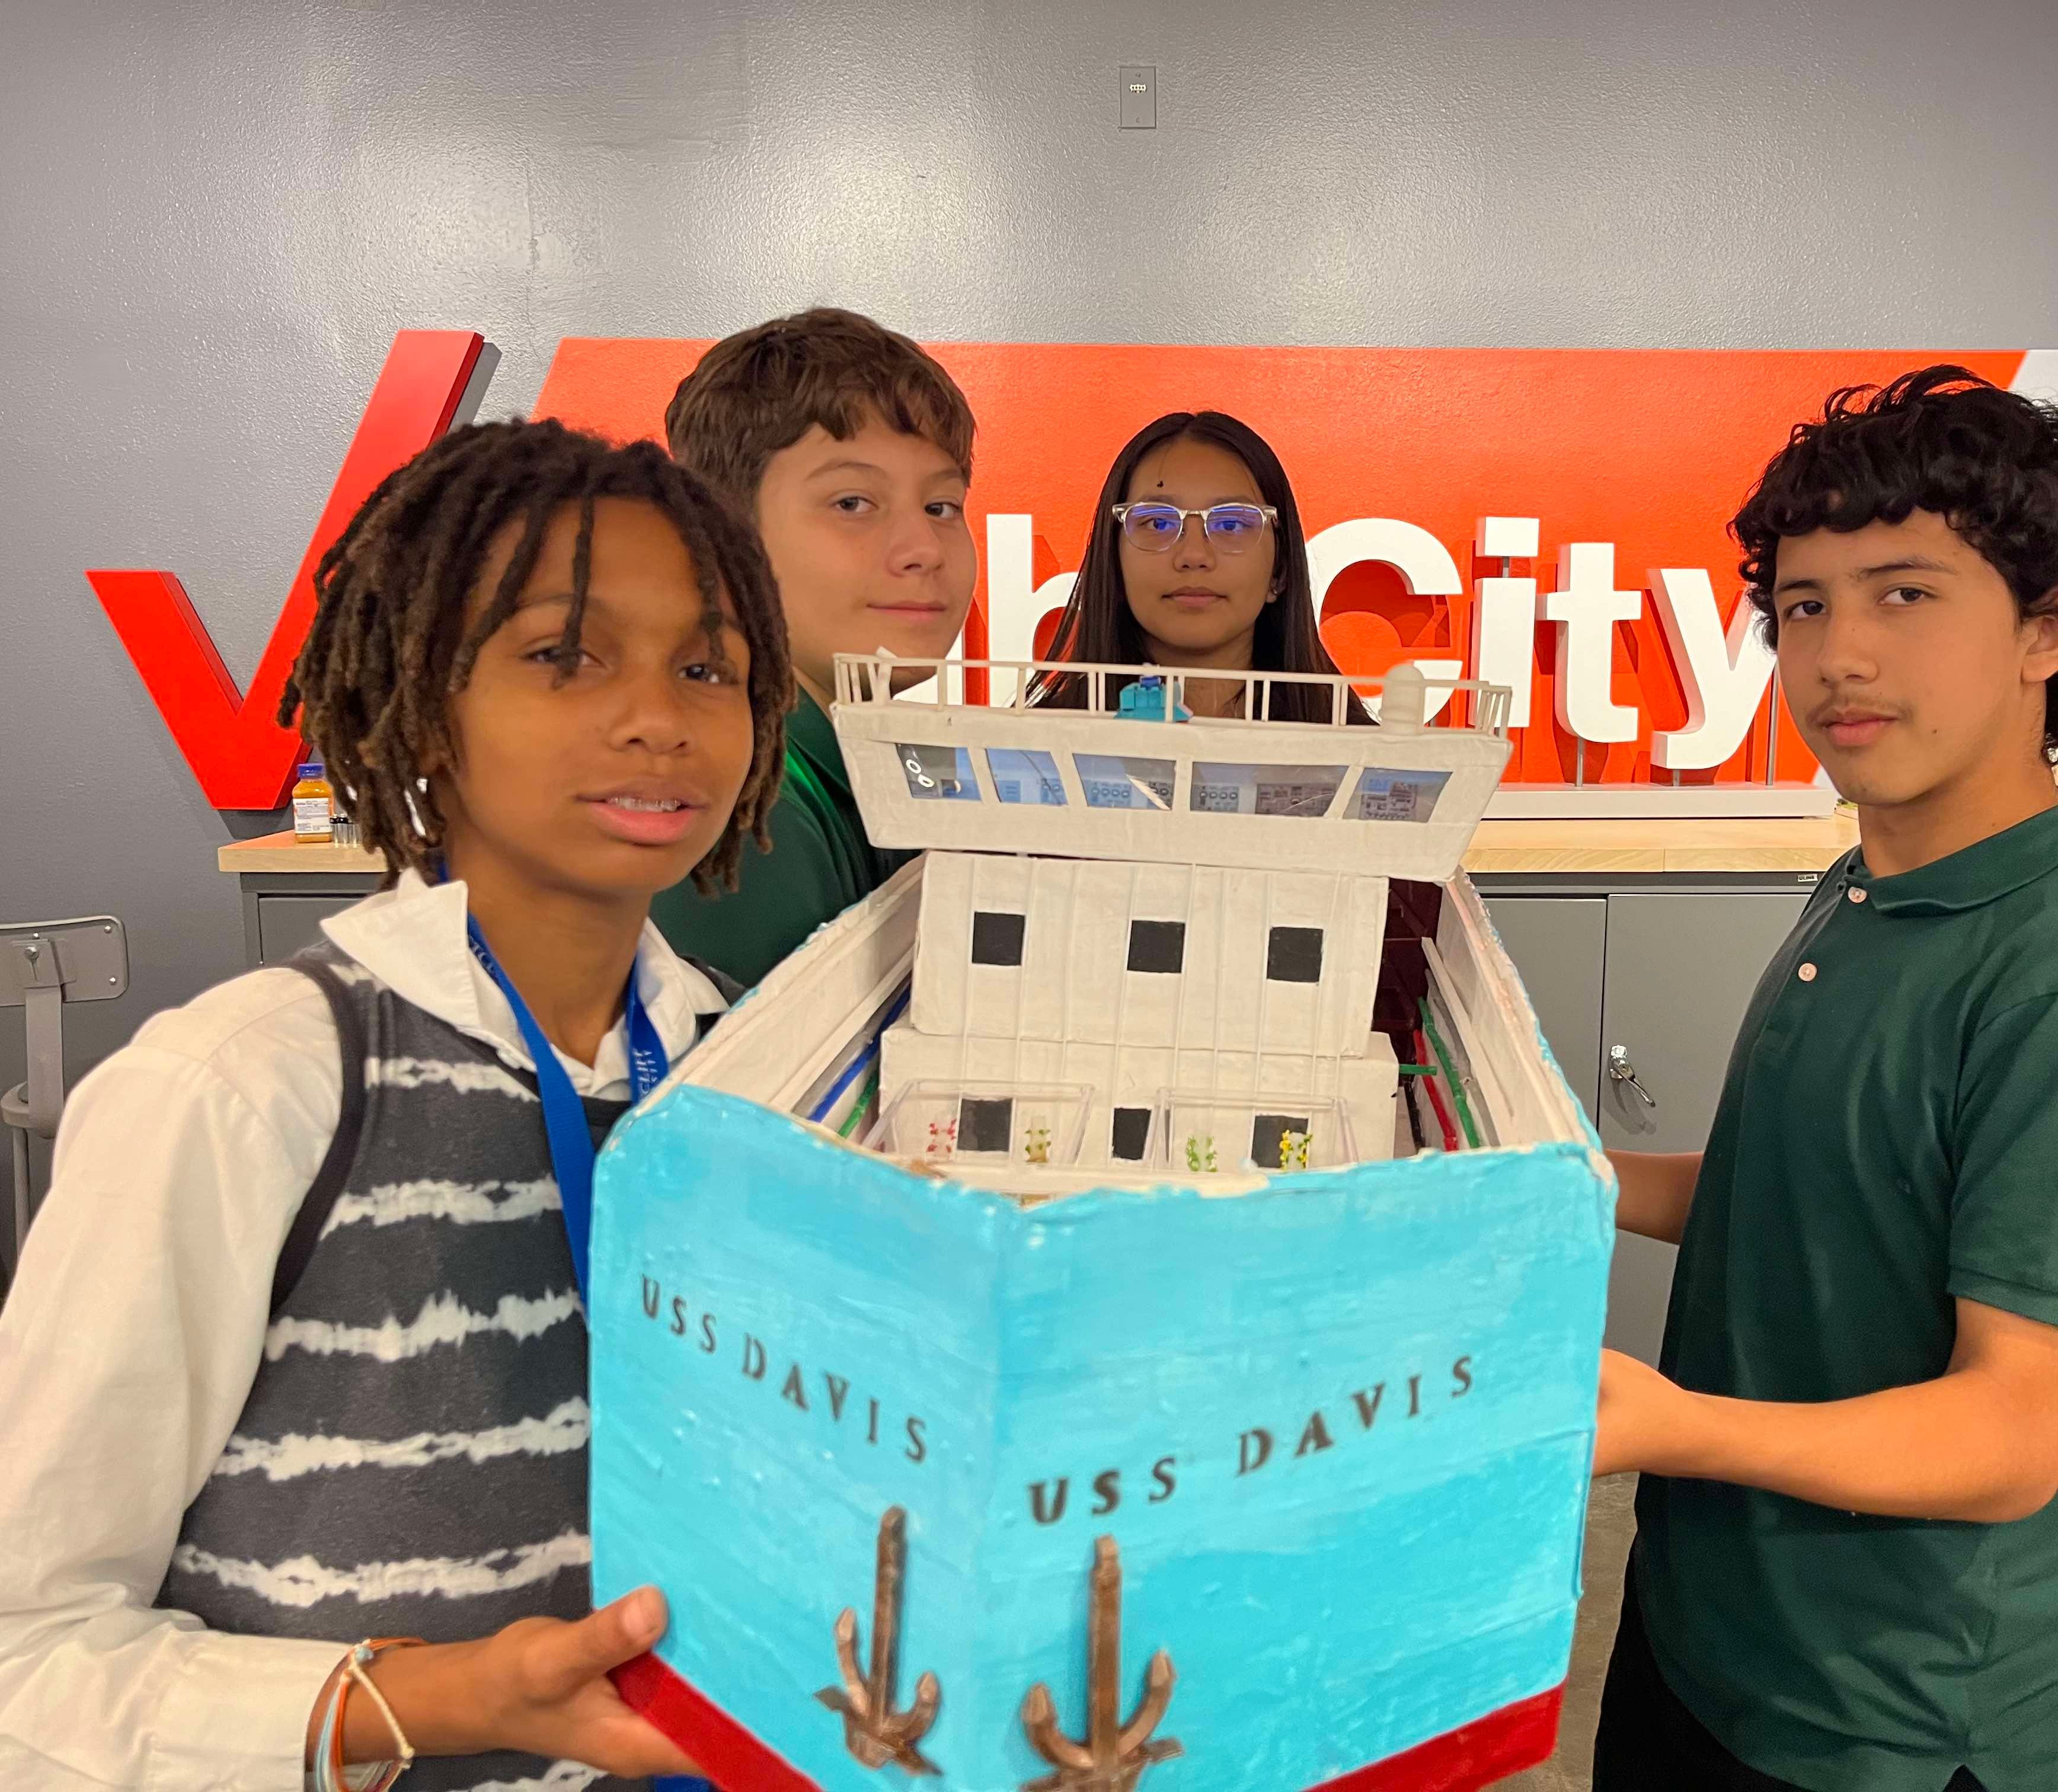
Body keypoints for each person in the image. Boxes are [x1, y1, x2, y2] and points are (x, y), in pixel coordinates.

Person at [0, 419, 796, 1790]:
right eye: (565, 654)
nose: (658, 716)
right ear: (426, 697)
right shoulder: (251, 1087)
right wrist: (432, 1698)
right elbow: (28, 1650)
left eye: (706, 667)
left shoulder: (760, 1082)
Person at [1587, 368, 2058, 1792]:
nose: (1838, 657)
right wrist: (1575, 1187)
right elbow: (1811, 1200)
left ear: (2054, 625)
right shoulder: (1866, 887)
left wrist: (1663, 1423)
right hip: (1708, 1651)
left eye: (1905, 594)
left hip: (1898, 1730)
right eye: (1805, 606)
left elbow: (2011, 1432)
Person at [651, 307, 979, 985]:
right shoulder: (739, 805)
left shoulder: (856, 767)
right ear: (722, 536)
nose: (923, 549)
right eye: (853, 503)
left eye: (941, 507)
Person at [1033, 409, 1360, 724]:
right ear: (1114, 562)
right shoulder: (1028, 751)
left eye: (1231, 524)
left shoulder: (1372, 759)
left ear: (1281, 569)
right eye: (1158, 523)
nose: (1193, 555)